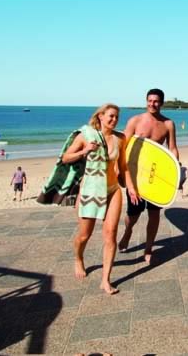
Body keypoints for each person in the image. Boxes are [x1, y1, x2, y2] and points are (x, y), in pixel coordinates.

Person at [63, 102, 136, 295]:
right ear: (101, 116)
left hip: (112, 190)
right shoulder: (86, 135)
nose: (114, 120)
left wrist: (131, 188)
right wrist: (83, 151)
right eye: (110, 116)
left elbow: (123, 166)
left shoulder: (120, 138)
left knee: (110, 234)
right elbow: (65, 157)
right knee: (84, 235)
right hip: (90, 190)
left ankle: (105, 280)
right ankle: (78, 259)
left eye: (116, 117)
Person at [118, 88, 179, 264]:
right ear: (146, 101)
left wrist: (176, 170)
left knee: (154, 214)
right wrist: (120, 172)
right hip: (135, 176)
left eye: (156, 101)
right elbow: (123, 147)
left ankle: (148, 248)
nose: (152, 104)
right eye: (150, 101)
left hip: (156, 176)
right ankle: (128, 231)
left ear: (161, 103)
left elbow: (172, 148)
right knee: (133, 214)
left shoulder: (168, 124)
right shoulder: (135, 121)